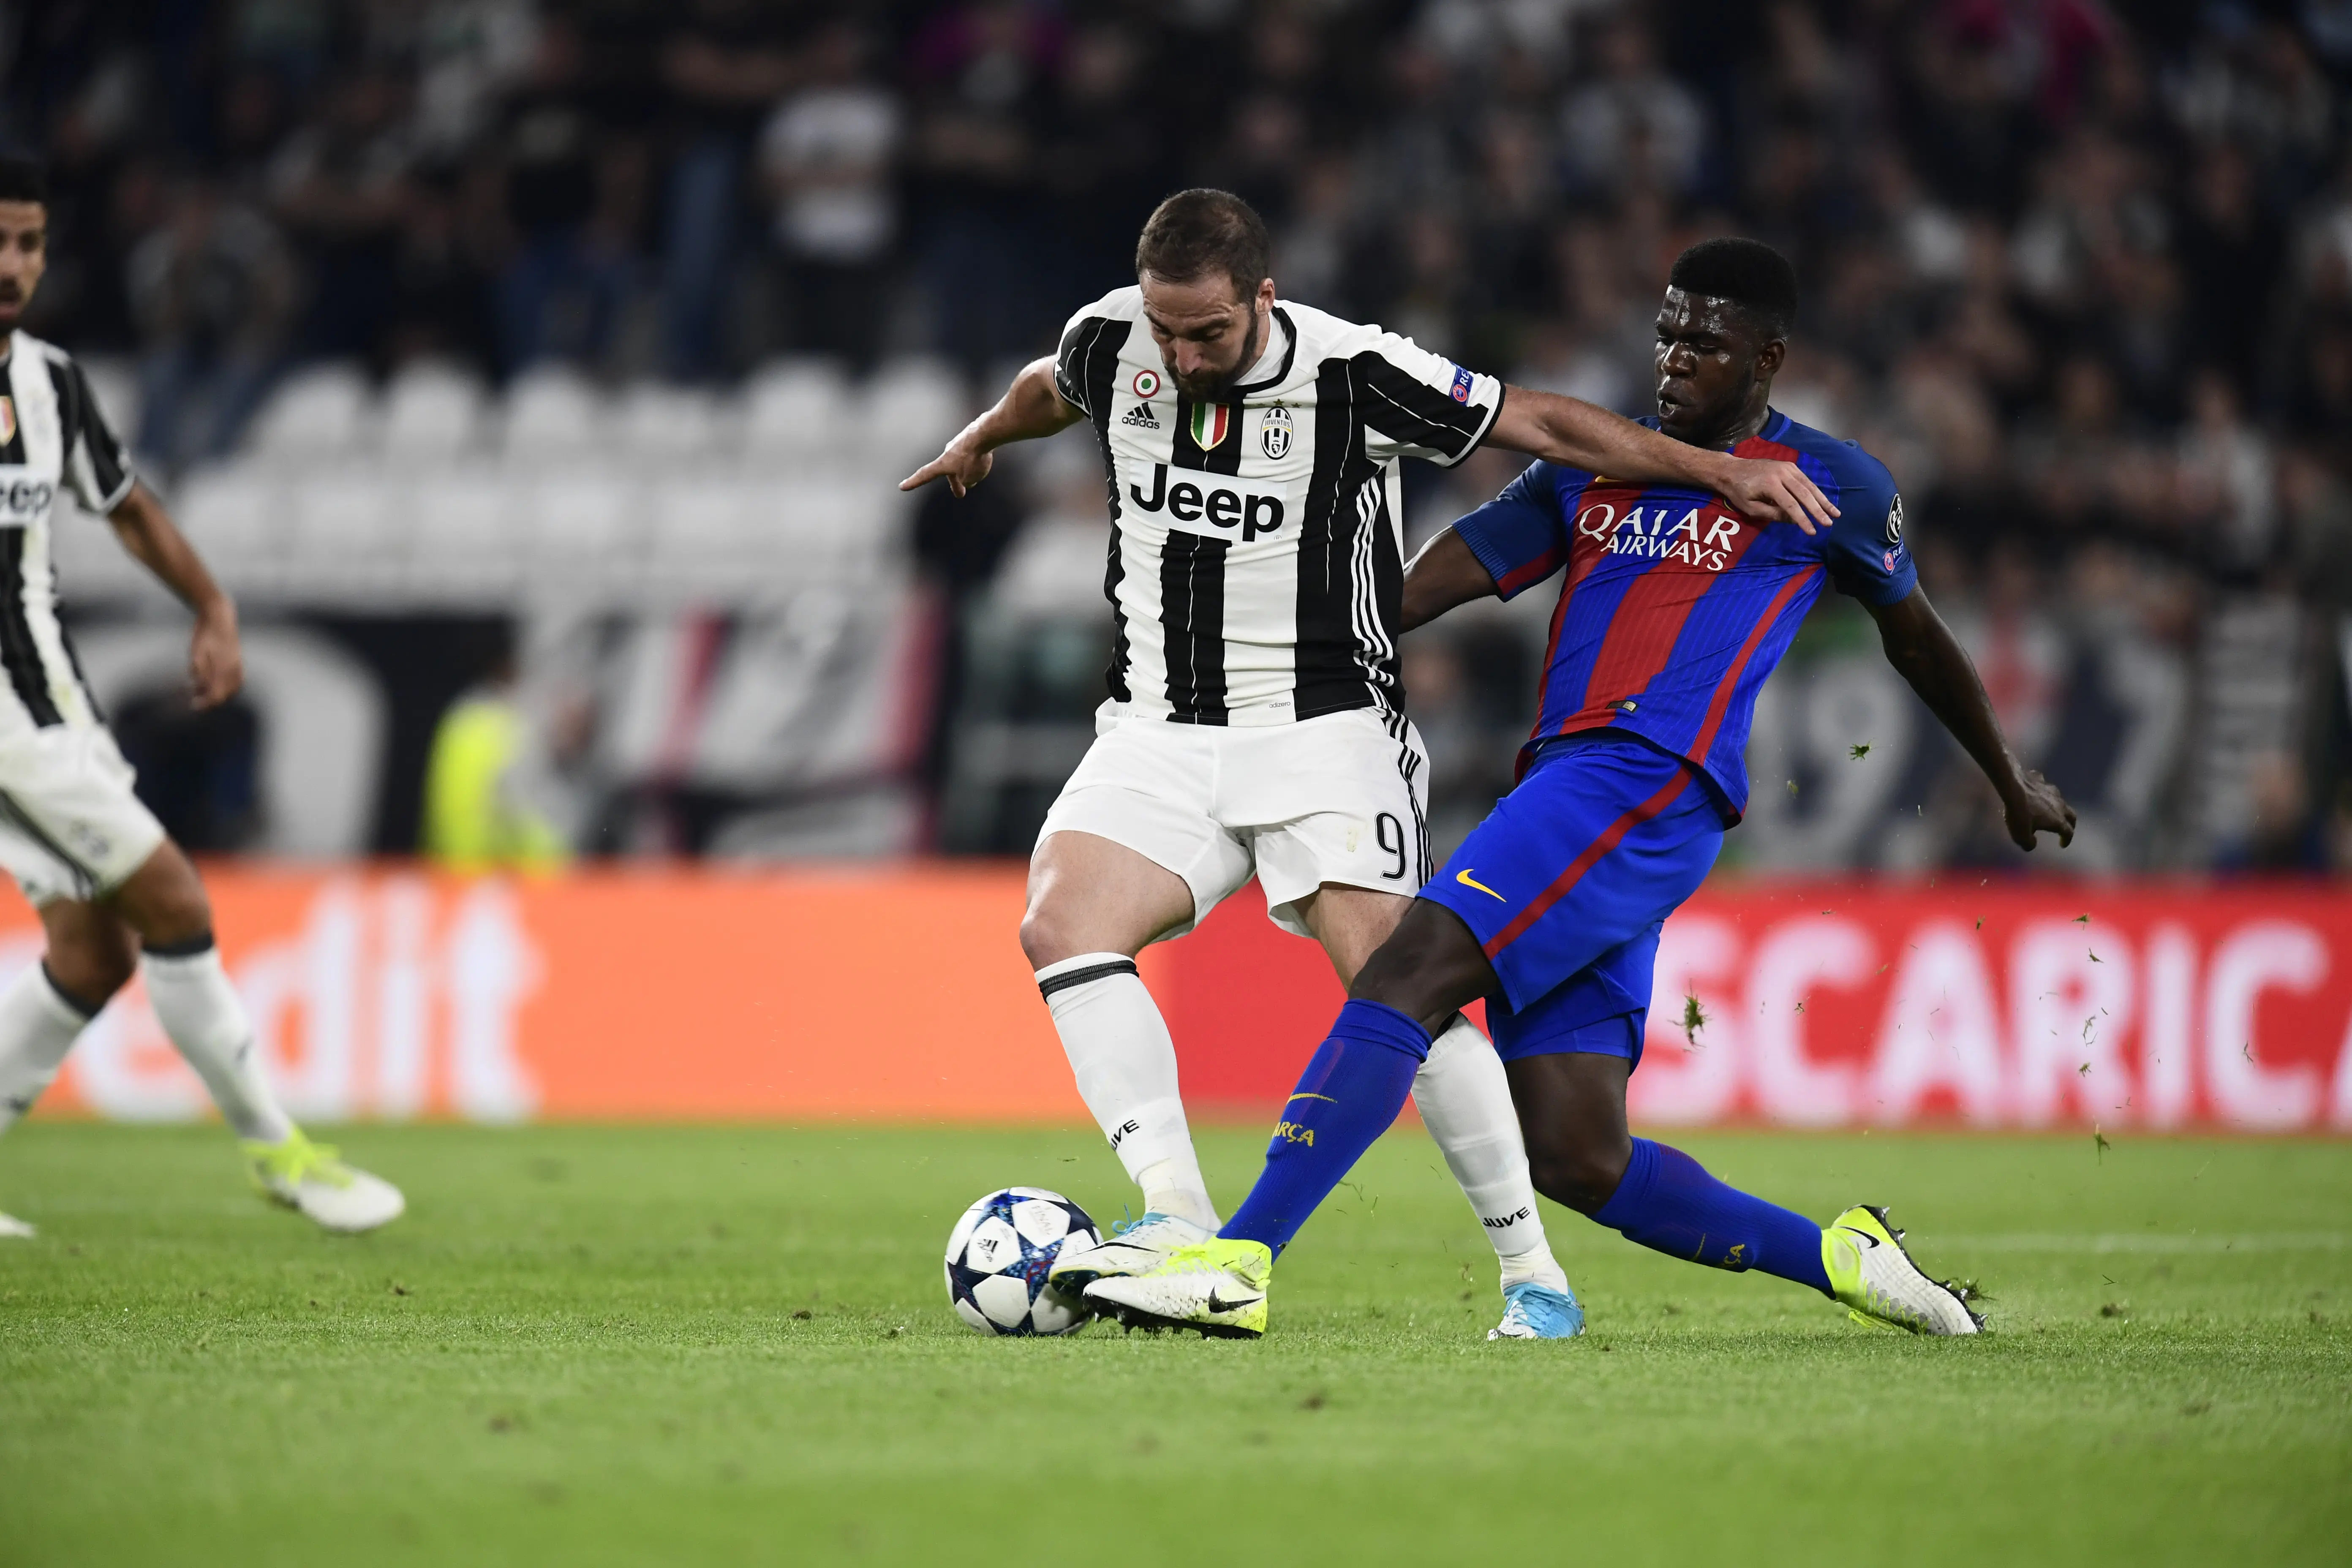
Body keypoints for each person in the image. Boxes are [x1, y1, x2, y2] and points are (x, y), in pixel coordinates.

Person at [1086, 237, 2075, 1338]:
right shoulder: (1598, 463)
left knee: (1407, 969)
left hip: (1649, 778)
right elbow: (1449, 571)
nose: (1674, 359)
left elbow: (1918, 638)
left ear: (1769, 357)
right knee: (1577, 1153)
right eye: (1667, 334)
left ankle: (1238, 1260)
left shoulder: (1832, 483)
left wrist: (2005, 775)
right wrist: (1297, 635)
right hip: (1578, 782)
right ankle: (1844, 1256)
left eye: (1705, 342)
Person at [902, 193, 1835, 1338]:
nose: (1184, 357)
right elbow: (1053, 384)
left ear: (1262, 299)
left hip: (1324, 728)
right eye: (1168, 332)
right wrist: (984, 434)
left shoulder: (1355, 371)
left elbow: (1542, 424)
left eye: (1209, 334)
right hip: (1158, 724)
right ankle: (1176, 1221)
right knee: (1061, 927)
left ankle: (1533, 1275)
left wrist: (1711, 471)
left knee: (1397, 980)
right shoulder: (1115, 340)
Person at [0, 158, 401, 1239]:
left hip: (52, 701)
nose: (13, 266)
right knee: (173, 900)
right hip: (8, 721)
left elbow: (125, 507)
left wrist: (212, 603)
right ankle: (281, 1152)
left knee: (95, 951)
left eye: (30, 243)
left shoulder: (47, 381)